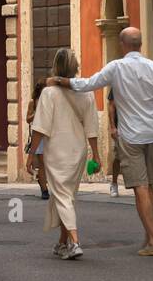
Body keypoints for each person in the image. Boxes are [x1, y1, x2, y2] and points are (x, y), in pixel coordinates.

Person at [48, 26, 153, 257]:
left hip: (130, 137)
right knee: (149, 186)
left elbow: (88, 84)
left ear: (123, 45)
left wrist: (58, 79)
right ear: (140, 44)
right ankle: (149, 235)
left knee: (140, 187)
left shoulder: (116, 67)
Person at [29, 47, 101, 260]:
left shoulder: (49, 94)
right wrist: (95, 154)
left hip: (57, 150)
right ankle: (62, 242)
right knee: (66, 196)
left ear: (56, 67)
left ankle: (75, 242)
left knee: (61, 195)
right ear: (75, 67)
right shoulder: (86, 92)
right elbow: (92, 127)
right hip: (77, 149)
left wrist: (31, 154)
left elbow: (40, 128)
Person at [25, 82, 50, 200]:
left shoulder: (50, 101)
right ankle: (44, 189)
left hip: (49, 134)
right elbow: (27, 119)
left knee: (49, 163)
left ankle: (46, 185)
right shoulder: (33, 102)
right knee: (42, 164)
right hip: (38, 135)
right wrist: (36, 114)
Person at [107, 87, 122, 198]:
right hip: (120, 126)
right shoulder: (117, 83)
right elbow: (111, 105)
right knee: (118, 156)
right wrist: (112, 127)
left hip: (136, 126)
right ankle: (114, 183)